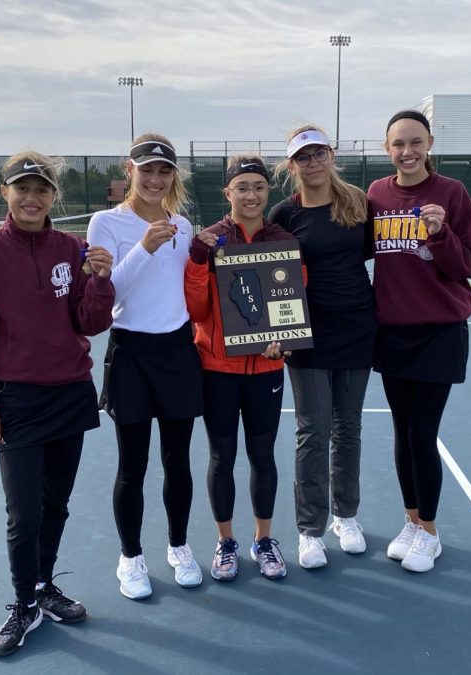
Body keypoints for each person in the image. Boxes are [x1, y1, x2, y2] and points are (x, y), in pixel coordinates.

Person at [0, 152, 115, 656]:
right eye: (21, 188)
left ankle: (44, 585)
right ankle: (24, 603)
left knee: (55, 505)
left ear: (52, 197)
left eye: (41, 189)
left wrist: (100, 280)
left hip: (69, 392)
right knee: (23, 513)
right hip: (17, 399)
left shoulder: (72, 249)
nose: (31, 197)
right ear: (5, 193)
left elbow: (89, 322)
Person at [87, 134, 204, 600]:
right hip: (131, 351)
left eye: (164, 171)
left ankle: (178, 547)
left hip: (178, 351)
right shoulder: (106, 223)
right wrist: (145, 247)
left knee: (178, 463)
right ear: (129, 170)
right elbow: (108, 292)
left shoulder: (185, 224)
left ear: (173, 176)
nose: (155, 179)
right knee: (131, 465)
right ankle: (131, 558)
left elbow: (191, 288)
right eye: (147, 170)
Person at [367, 110, 471, 573]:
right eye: (398, 144)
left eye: (416, 142)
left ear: (430, 143)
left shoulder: (452, 193)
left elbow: (466, 267)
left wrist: (441, 234)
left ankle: (430, 531)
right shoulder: (376, 194)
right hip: (392, 331)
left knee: (421, 433)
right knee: (400, 432)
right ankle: (412, 522)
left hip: (438, 331)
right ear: (386, 148)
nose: (407, 152)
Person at [185, 155, 297, 581]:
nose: (251, 195)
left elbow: (290, 309)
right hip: (216, 369)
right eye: (243, 187)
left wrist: (283, 340)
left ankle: (263, 540)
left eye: (259, 187)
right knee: (222, 457)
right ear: (227, 193)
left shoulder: (282, 240)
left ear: (269, 192)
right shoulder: (209, 240)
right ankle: (225, 542)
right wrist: (198, 261)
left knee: (263, 456)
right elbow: (195, 308)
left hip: (266, 371)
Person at [269, 126, 376, 569]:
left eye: (319, 154)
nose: (312, 163)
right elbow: (269, 274)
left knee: (348, 428)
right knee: (313, 433)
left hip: (357, 327)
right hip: (306, 335)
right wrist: (274, 331)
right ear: (291, 165)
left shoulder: (358, 203)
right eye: (303, 157)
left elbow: (378, 255)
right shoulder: (283, 214)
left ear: (331, 156)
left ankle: (346, 517)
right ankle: (309, 529)